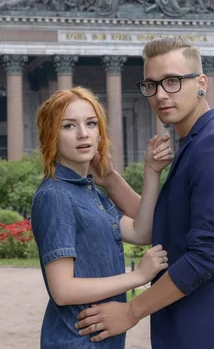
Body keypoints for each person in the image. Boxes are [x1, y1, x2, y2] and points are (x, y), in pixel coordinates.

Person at [75, 38, 214, 348]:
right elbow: (160, 224)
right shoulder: (196, 142)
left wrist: (130, 311)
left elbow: (204, 258)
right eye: (151, 85)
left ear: (201, 82)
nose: (161, 94)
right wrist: (110, 179)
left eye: (173, 81)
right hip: (197, 324)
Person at [30, 86, 174, 349]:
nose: (83, 134)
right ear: (52, 135)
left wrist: (149, 173)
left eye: (91, 123)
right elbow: (63, 290)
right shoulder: (55, 195)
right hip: (76, 340)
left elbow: (143, 232)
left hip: (101, 340)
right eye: (69, 126)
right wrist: (138, 276)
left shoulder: (89, 191)